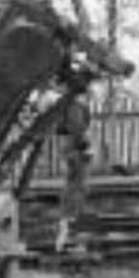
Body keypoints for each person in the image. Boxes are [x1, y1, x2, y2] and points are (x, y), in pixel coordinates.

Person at [54, 87, 93, 251]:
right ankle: (76, 240)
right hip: (76, 152)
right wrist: (85, 146)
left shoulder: (68, 104)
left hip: (71, 151)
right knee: (78, 191)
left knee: (72, 189)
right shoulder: (75, 105)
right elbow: (77, 127)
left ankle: (64, 236)